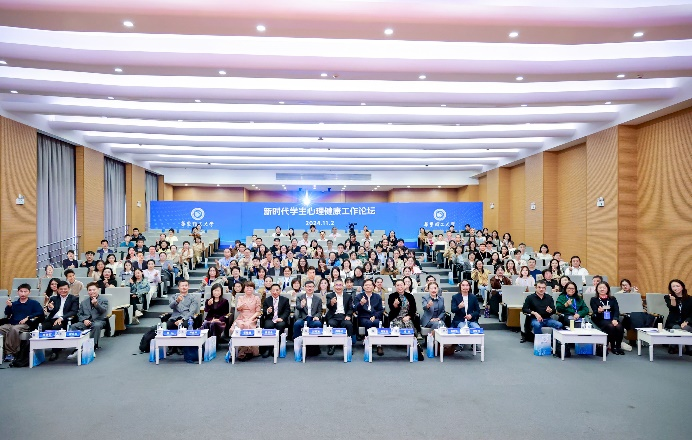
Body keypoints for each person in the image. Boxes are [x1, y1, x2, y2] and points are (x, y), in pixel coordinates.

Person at [1, 284, 44, 362]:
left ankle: (11, 353)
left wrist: (28, 317)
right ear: (18, 292)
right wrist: (9, 306)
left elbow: (40, 312)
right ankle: (2, 351)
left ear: (29, 292)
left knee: (14, 329)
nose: (23, 293)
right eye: (21, 291)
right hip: (12, 323)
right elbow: (7, 313)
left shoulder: (34, 303)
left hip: (25, 325)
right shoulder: (14, 303)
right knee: (1, 328)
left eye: (25, 291)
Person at [67, 282, 109, 358]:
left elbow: (103, 311)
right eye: (90, 290)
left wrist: (96, 304)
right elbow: (79, 314)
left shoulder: (104, 300)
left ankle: (92, 347)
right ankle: (78, 346)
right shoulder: (84, 302)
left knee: (96, 325)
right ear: (87, 291)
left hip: (98, 321)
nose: (92, 291)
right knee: (74, 326)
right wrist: (84, 320)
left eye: (94, 290)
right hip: (86, 321)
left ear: (98, 290)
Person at [44, 280, 80, 361]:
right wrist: (50, 307)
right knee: (41, 327)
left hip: (65, 320)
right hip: (52, 319)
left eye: (65, 289)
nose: (63, 291)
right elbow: (50, 311)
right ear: (57, 290)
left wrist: (62, 318)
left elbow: (74, 311)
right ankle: (40, 350)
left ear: (69, 289)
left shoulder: (74, 298)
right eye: (61, 289)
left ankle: (55, 351)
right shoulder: (53, 298)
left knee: (56, 328)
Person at [589, 281, 625, 355]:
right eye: (600, 288)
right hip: (600, 318)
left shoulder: (612, 299)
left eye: (604, 288)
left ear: (607, 289)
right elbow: (594, 311)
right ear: (597, 289)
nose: (602, 289)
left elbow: (616, 310)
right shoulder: (594, 299)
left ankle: (618, 346)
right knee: (611, 326)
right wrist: (598, 311)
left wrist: (615, 319)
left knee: (619, 326)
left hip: (611, 318)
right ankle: (613, 346)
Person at [166, 280, 199, 355]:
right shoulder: (174, 296)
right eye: (182, 286)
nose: (184, 287)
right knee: (168, 325)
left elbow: (192, 311)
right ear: (178, 287)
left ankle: (179, 347)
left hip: (186, 318)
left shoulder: (193, 297)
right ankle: (172, 347)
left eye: (186, 285)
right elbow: (171, 306)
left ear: (188, 287)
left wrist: (182, 319)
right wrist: (177, 301)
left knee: (184, 326)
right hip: (175, 317)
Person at [354, 279, 384, 356]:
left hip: (374, 316)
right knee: (368, 323)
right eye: (366, 285)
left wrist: (374, 316)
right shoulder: (358, 296)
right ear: (363, 287)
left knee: (377, 322)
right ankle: (368, 342)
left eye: (369, 285)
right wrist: (361, 303)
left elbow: (380, 310)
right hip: (363, 317)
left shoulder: (377, 297)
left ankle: (378, 345)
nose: (368, 286)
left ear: (373, 286)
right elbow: (355, 309)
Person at [325, 279, 354, 355]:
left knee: (349, 324)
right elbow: (328, 306)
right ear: (334, 286)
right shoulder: (329, 295)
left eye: (340, 285)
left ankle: (349, 345)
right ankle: (332, 345)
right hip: (333, 316)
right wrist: (331, 303)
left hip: (344, 316)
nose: (338, 287)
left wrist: (348, 315)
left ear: (343, 286)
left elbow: (351, 308)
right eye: (336, 285)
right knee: (331, 324)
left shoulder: (348, 296)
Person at [261, 283, 290, 358]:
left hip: (280, 319)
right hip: (270, 319)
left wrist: (282, 318)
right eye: (273, 290)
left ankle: (276, 348)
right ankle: (268, 348)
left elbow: (287, 311)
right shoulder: (267, 300)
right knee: (268, 325)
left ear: (280, 291)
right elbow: (264, 311)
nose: (275, 292)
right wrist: (267, 311)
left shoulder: (285, 300)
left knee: (280, 325)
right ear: (270, 291)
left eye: (277, 290)